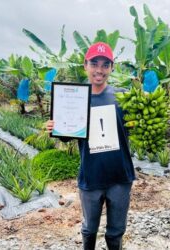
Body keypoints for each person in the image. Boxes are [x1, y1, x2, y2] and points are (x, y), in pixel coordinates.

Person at [46, 42, 135, 250]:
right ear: (85, 65)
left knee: (116, 232)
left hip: (120, 178)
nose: (99, 70)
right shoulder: (76, 98)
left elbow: (137, 127)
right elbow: (67, 137)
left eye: (105, 65)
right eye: (94, 63)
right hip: (91, 177)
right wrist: (55, 127)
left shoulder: (124, 97)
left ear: (112, 68)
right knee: (89, 230)